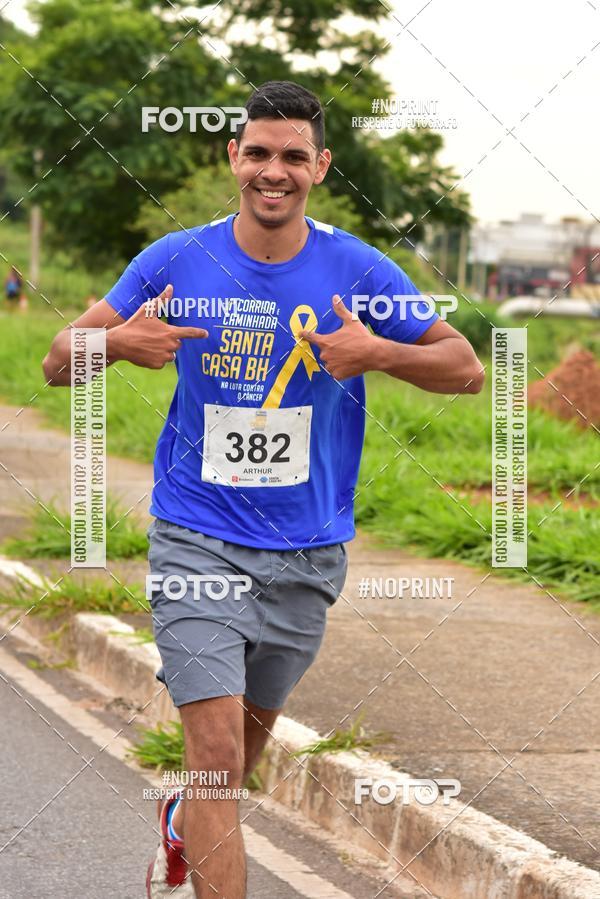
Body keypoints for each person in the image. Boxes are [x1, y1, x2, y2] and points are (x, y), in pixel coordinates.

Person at [42, 80, 484, 898]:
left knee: (234, 764)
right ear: (233, 157)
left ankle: (181, 823)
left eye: (291, 156)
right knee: (213, 758)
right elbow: (59, 360)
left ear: (320, 165)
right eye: (257, 153)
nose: (271, 171)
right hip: (195, 536)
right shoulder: (176, 257)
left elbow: (465, 367)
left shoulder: (357, 267)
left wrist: (379, 353)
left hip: (307, 552)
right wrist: (115, 344)